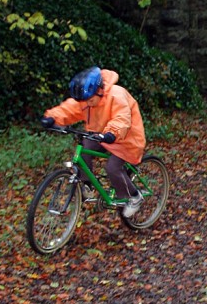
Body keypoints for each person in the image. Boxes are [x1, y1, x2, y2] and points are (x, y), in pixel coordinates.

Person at [41, 66, 146, 217]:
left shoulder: (116, 95)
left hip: (126, 138)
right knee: (84, 149)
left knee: (112, 168)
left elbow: (121, 118)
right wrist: (52, 117)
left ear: (100, 90)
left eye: (90, 100)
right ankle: (87, 184)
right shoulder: (87, 99)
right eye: (85, 101)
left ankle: (134, 197)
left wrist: (112, 133)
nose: (88, 104)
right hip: (101, 135)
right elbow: (70, 108)